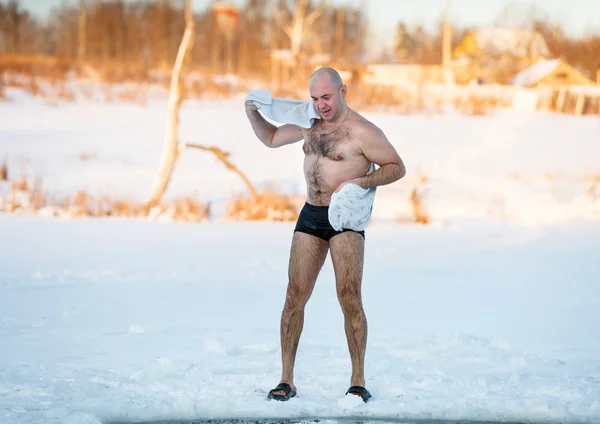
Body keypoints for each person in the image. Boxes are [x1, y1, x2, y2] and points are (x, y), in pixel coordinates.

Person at [244, 67, 406, 403]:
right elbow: (272, 138)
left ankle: (357, 380)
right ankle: (286, 379)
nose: (321, 105)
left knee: (349, 298)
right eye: (315, 98)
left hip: (346, 219)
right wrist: (252, 113)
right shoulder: (308, 123)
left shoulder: (362, 131)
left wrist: (360, 183)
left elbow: (396, 167)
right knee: (294, 297)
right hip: (312, 214)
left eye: (327, 97)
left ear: (343, 91)